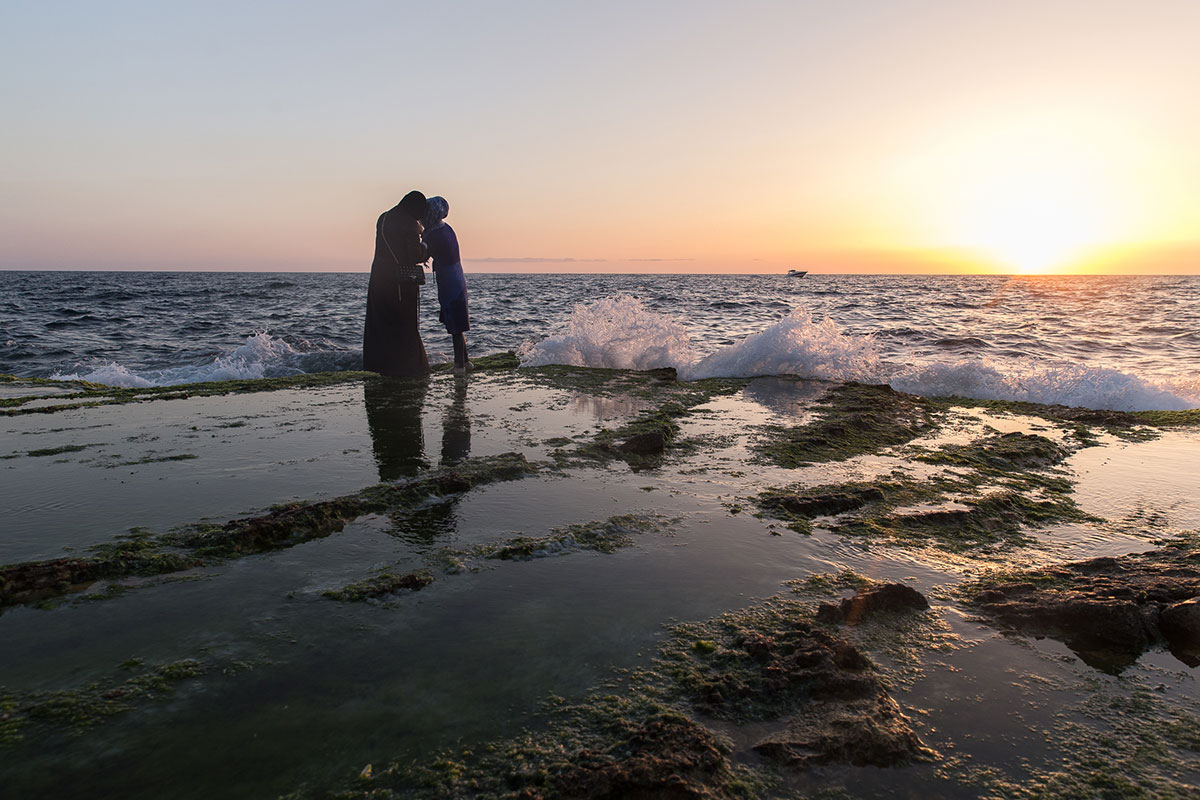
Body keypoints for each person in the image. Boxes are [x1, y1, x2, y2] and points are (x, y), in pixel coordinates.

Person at [363, 190, 430, 377]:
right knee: (403, 325)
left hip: (378, 279)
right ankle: (407, 366)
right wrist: (426, 246)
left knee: (380, 324)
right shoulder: (410, 223)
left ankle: (378, 365)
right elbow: (414, 255)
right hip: (400, 284)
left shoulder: (383, 218)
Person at [420, 196, 471, 371]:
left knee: (455, 326)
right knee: (458, 323)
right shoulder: (446, 228)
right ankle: (465, 361)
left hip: (449, 282)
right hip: (457, 278)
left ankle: (459, 366)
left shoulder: (434, 234)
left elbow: (421, 255)